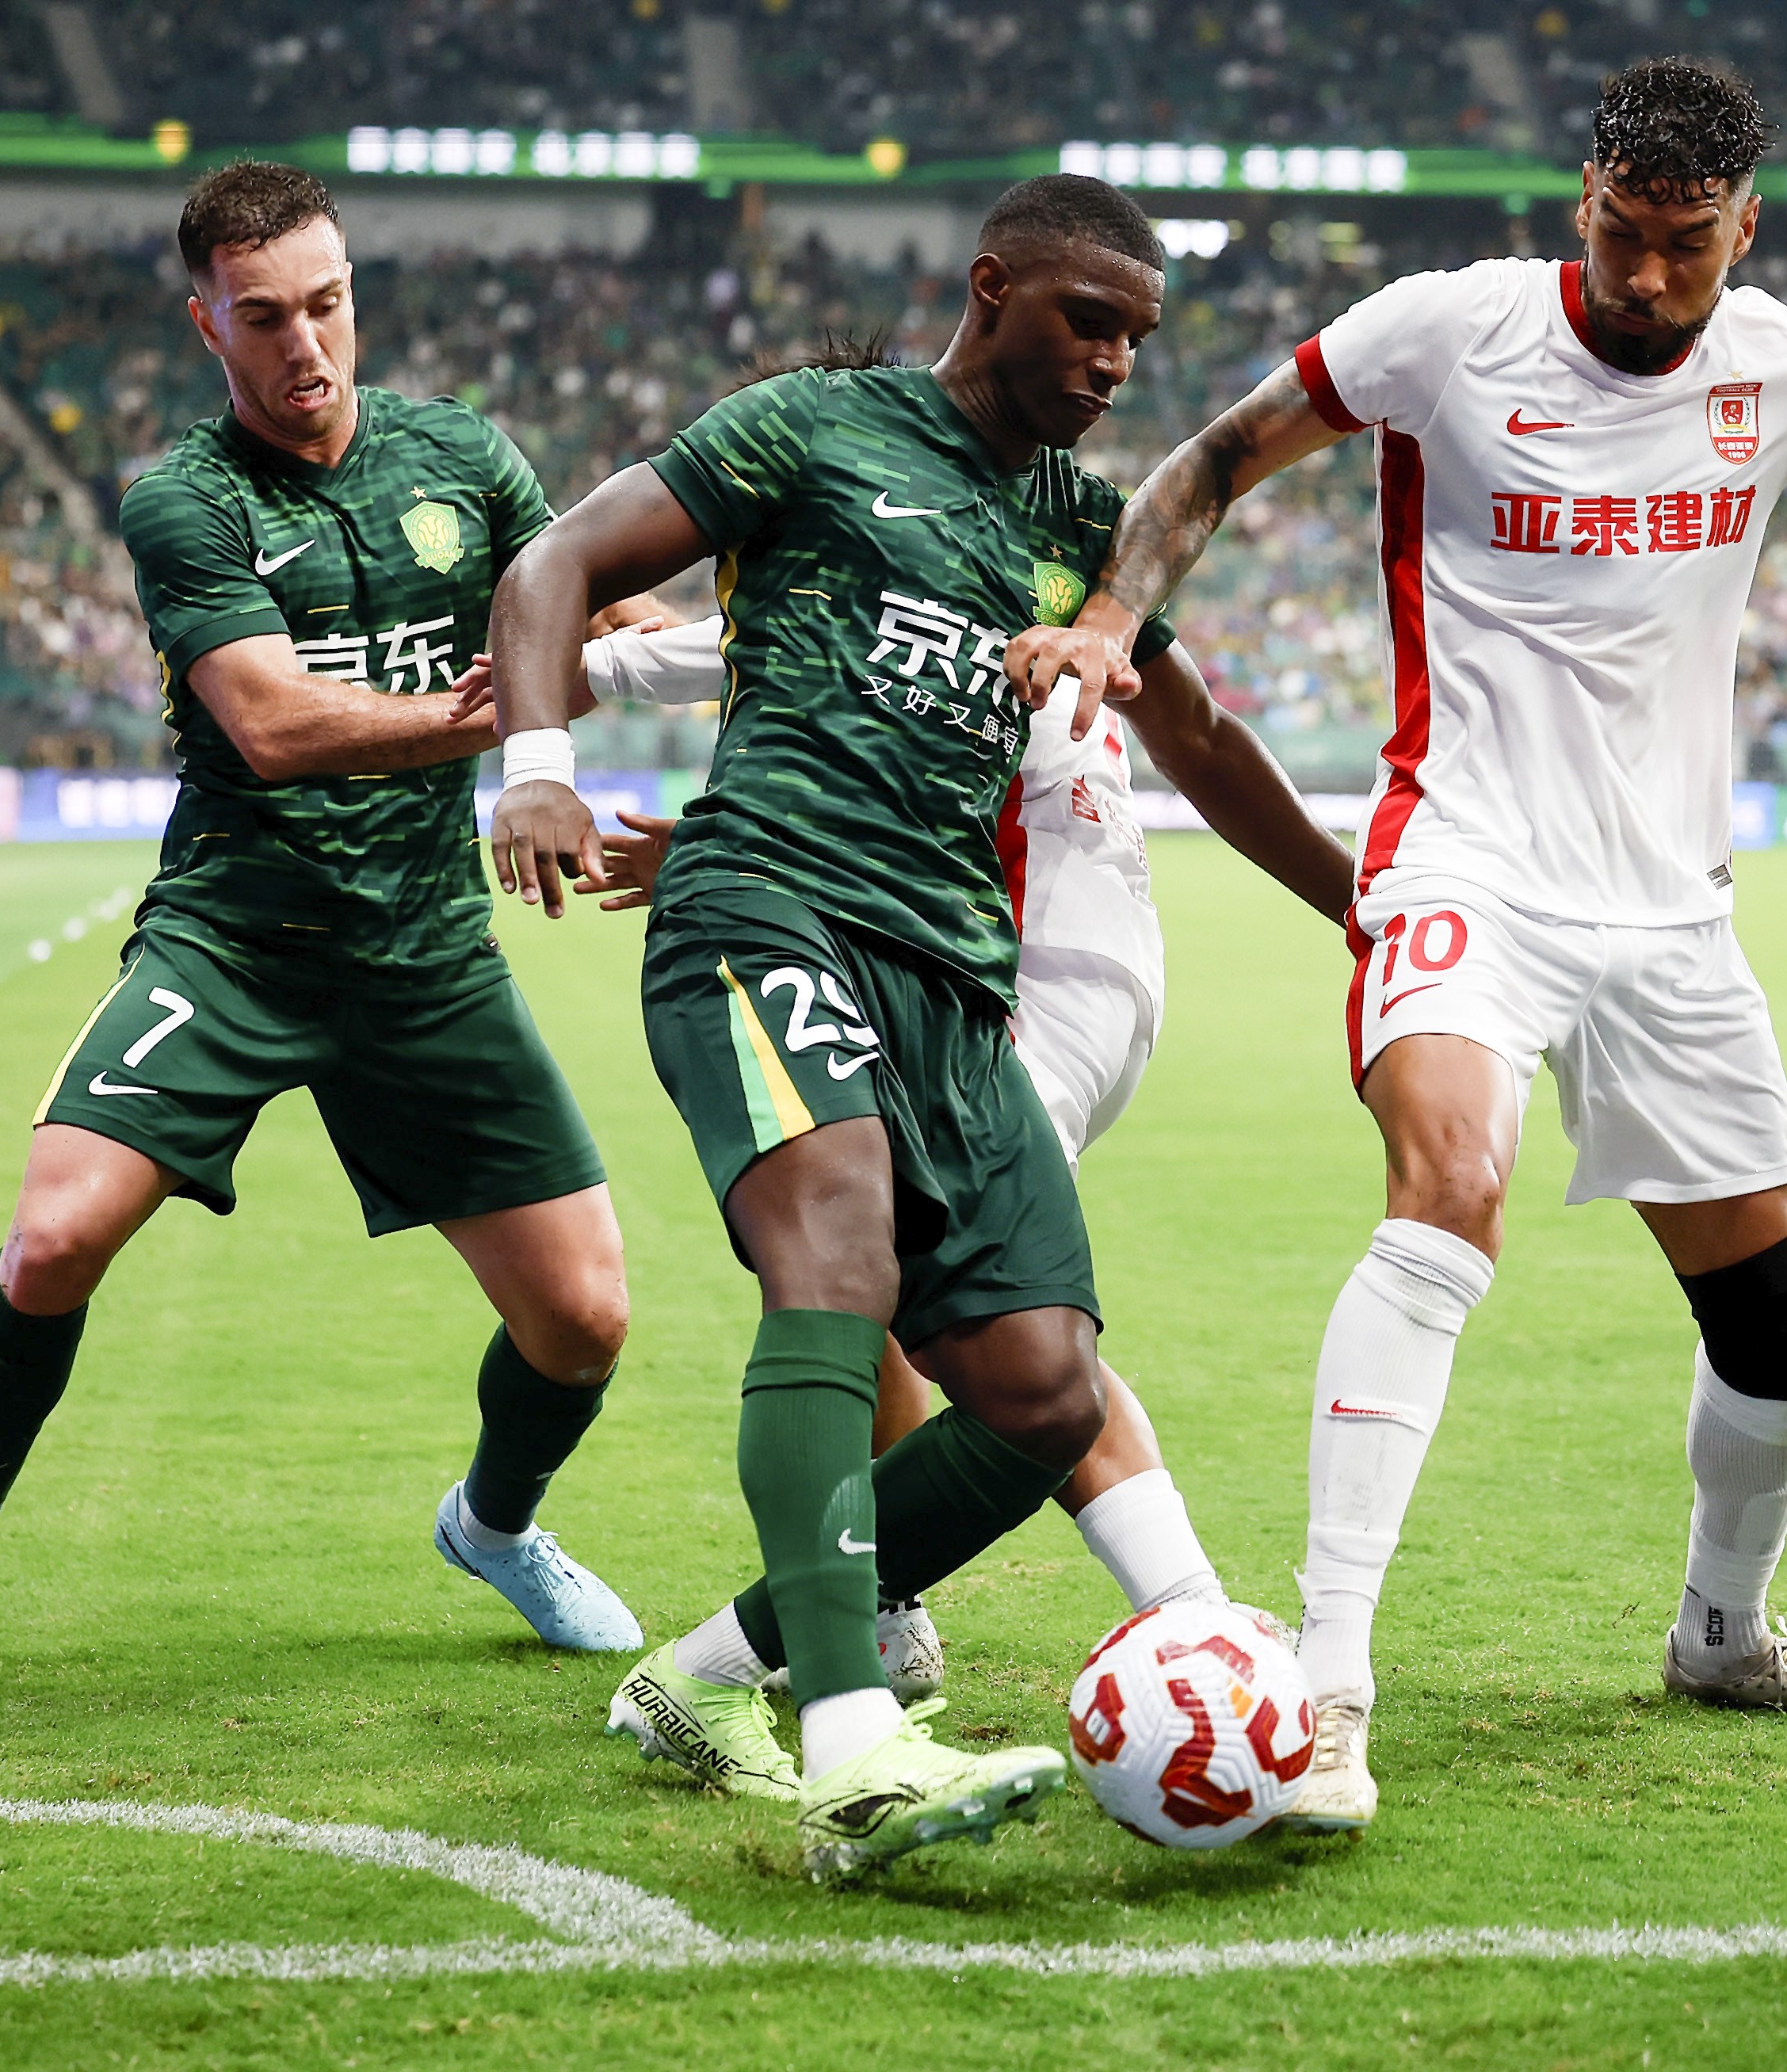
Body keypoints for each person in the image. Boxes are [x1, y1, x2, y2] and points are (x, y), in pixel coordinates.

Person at [1009, 59, 1787, 1830]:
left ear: (1747, 229)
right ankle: (1328, 1686)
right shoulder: (1446, 330)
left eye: (1686, 246)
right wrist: (1118, 611)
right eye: (1621, 234)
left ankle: (1724, 1636)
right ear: (1580, 198)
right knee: (1449, 1188)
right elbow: (1215, 457)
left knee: (1774, 1317)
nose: (1648, 278)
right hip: (1464, 857)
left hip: (1669, 910)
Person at [483, 176, 1307, 1880]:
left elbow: (1202, 735)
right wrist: (541, 770)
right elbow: (558, 560)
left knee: (1042, 1390)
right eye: (1086, 322)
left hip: (955, 976)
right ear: (992, 288)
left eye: (1137, 339)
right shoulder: (811, 425)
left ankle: (705, 1675)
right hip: (767, 906)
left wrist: (1359, 901)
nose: (1113, 363)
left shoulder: (1085, 530)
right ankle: (853, 1751)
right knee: (838, 1264)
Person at [0, 162, 655, 1718]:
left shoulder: (463, 455)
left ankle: (493, 1526)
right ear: (206, 324)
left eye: (328, 304)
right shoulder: (184, 500)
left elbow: (600, 615)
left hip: (423, 951)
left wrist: (737, 646)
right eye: (267, 316)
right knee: (53, 1239)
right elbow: (275, 727)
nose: (307, 345)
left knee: (584, 1319)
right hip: (233, 940)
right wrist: (489, 722)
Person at [551, 580, 1354, 1696]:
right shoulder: (1066, 557)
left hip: (1009, 970)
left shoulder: (917, 555)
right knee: (871, 1262)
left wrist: (575, 677)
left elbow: (802, 640)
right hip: (1081, 957)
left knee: (995, 1319)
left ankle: (1188, 1614)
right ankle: (896, 1609)